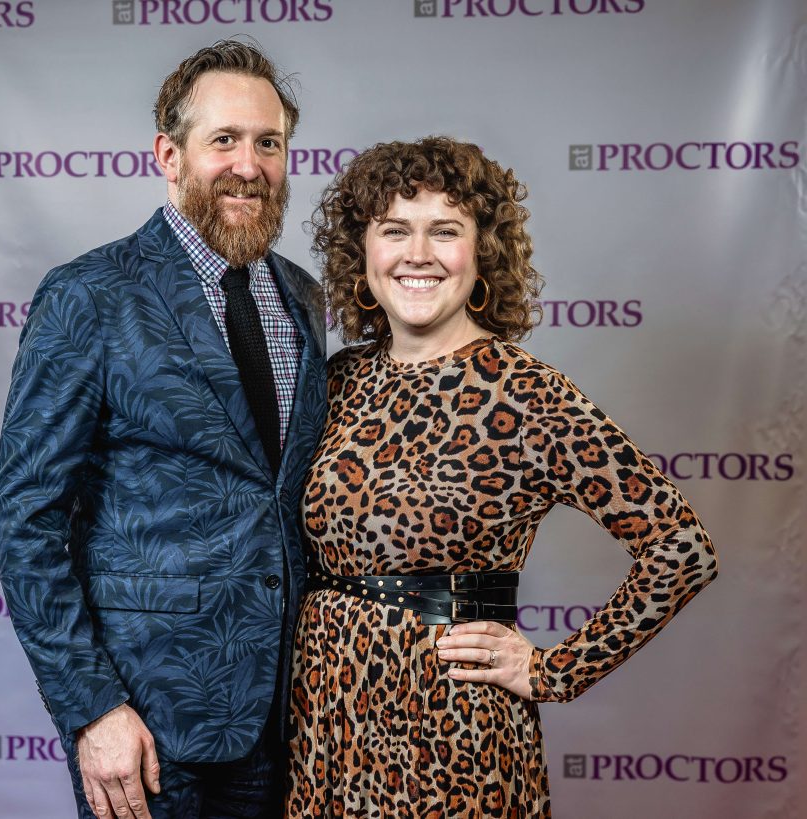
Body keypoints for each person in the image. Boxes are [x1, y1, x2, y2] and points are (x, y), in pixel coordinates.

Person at [285, 136, 718, 817]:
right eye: (394, 230)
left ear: (482, 251)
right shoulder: (338, 380)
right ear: (361, 253)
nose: (417, 254)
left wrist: (553, 670)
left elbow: (681, 549)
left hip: (449, 733)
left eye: (444, 231)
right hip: (323, 719)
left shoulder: (527, 394)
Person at [0, 40, 327, 819]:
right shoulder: (89, 295)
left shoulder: (303, 297)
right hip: (147, 726)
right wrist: (92, 708)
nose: (249, 166)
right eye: (224, 140)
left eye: (269, 143)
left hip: (292, 721)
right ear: (169, 156)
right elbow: (24, 518)